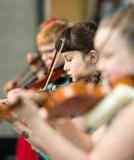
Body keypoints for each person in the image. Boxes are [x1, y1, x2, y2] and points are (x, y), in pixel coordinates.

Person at [10, 4, 134, 160]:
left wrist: (35, 120)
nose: (100, 65)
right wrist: (60, 118)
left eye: (108, 55)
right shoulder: (133, 103)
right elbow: (89, 145)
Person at [6, 21, 100, 160]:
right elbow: (51, 149)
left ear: (92, 57)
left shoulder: (94, 96)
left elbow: (61, 151)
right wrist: (17, 124)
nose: (66, 67)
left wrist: (39, 118)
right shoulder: (83, 91)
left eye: (69, 59)